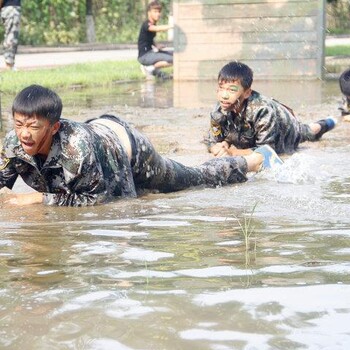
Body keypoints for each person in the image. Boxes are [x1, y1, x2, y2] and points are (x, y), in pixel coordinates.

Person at [0, 85, 282, 207]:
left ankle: (253, 161)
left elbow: (99, 201)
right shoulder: (13, 144)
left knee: (189, 180)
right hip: (101, 152)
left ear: (53, 127)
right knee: (144, 195)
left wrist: (38, 199)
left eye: (33, 127)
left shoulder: (77, 148)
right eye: (19, 124)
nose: (24, 134)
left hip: (128, 149)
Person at [205, 61, 337, 157]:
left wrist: (233, 152)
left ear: (246, 93)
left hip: (285, 129)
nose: (224, 95)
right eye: (221, 88)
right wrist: (220, 146)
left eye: (231, 90)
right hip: (251, 132)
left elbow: (266, 151)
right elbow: (211, 141)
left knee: (309, 132)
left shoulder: (262, 110)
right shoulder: (219, 110)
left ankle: (327, 123)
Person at [137, 0, 173, 79]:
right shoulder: (147, 24)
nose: (158, 14)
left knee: (175, 54)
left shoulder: (153, 23)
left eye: (159, 12)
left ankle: (151, 69)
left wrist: (156, 45)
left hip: (150, 52)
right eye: (155, 11)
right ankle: (149, 68)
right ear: (149, 12)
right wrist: (172, 26)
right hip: (144, 56)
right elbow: (156, 29)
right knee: (173, 59)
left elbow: (147, 39)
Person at [0, 0, 21, 70]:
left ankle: (10, 63)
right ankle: (9, 64)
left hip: (10, 7)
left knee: (11, 35)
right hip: (10, 8)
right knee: (11, 36)